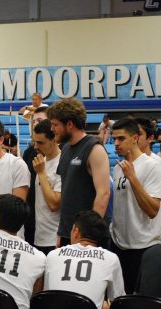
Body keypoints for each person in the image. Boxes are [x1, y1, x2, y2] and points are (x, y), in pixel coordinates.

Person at [109, 118, 161, 294]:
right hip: (119, 245)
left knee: (141, 301)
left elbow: (152, 210)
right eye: (114, 139)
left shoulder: (153, 167)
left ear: (135, 138)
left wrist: (133, 178)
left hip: (144, 246)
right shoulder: (119, 167)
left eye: (121, 139)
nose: (116, 144)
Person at [46, 98, 110, 247]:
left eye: (55, 124)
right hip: (68, 233)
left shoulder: (95, 149)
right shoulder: (65, 149)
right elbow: (67, 194)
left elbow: (104, 194)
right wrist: (61, 233)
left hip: (88, 238)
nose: (51, 129)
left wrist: (89, 236)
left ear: (69, 124)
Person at [45, 211, 125, 309]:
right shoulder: (111, 259)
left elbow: (46, 297)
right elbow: (119, 305)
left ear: (76, 231)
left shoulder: (53, 255)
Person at [32, 119, 61, 254]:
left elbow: (54, 204)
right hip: (39, 238)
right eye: (35, 141)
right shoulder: (41, 161)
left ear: (54, 139)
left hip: (55, 239)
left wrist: (42, 173)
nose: (35, 146)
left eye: (40, 142)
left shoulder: (62, 163)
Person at [22, 106, 49, 246]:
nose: (35, 124)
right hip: (31, 220)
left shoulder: (63, 153)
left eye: (39, 120)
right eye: (34, 121)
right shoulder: (28, 153)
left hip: (52, 225)